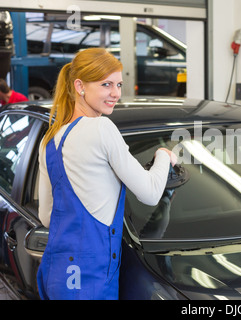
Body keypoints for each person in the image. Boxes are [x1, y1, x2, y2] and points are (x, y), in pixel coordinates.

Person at [36, 48, 176, 300]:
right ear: (80, 86)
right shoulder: (101, 128)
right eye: (106, 84)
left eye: (119, 84)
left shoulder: (50, 140)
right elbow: (152, 193)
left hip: (57, 274)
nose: (116, 93)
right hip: (90, 278)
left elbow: (47, 216)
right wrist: (164, 155)